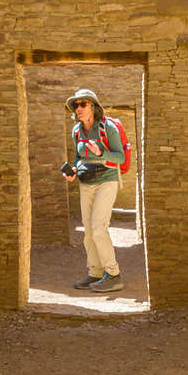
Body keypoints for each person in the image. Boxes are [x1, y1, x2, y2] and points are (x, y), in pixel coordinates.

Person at [63, 87, 125, 292]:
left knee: (99, 228)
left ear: (93, 106)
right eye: (76, 105)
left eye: (83, 104)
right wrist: (72, 170)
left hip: (107, 180)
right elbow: (79, 158)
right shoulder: (76, 131)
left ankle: (113, 274)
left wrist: (101, 153)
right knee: (88, 232)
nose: (78, 108)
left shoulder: (108, 128)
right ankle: (95, 273)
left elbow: (120, 157)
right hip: (86, 181)